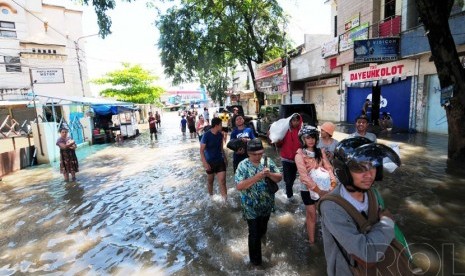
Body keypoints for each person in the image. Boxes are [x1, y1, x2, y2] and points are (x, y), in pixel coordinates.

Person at [319, 138, 403, 276]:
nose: (369, 175)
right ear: (343, 171)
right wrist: (387, 223)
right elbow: (367, 256)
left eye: (372, 166)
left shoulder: (371, 193)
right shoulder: (331, 207)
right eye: (359, 168)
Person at [235, 138, 282, 266]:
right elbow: (239, 186)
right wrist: (257, 177)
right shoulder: (242, 165)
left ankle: (263, 245)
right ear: (248, 153)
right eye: (254, 154)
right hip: (250, 206)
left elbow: (279, 177)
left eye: (260, 153)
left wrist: (269, 174)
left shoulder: (267, 161)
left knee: (262, 229)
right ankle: (256, 264)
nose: (257, 156)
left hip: (266, 204)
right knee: (254, 233)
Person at [295, 125, 337, 244]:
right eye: (308, 137)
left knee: (324, 213)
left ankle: (328, 240)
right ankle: (312, 241)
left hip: (324, 189)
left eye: (313, 137)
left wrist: (333, 183)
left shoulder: (320, 152)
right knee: (312, 214)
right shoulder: (299, 155)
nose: (311, 140)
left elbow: (329, 168)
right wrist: (319, 191)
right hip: (307, 190)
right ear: (303, 139)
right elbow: (304, 177)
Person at [275, 113, 302, 202]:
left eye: (297, 120)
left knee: (294, 178)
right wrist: (278, 141)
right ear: (290, 121)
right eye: (294, 120)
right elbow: (279, 145)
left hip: (298, 159)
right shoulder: (285, 130)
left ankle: (290, 193)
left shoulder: (301, 131)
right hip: (286, 159)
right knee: (288, 180)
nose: (296, 122)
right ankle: (289, 197)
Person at [200, 117, 228, 200]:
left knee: (222, 181)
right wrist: (205, 163)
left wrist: (225, 158)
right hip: (209, 162)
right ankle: (211, 197)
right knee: (210, 181)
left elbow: (221, 148)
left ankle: (225, 201)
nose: (222, 126)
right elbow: (201, 151)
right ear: (216, 125)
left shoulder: (220, 135)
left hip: (219, 160)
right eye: (221, 124)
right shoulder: (206, 135)